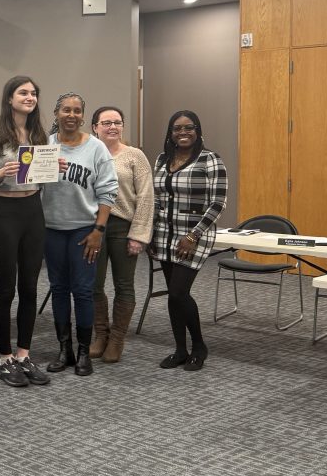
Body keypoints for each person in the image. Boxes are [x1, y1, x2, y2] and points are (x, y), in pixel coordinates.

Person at [0, 75, 50, 387]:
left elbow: (41, 176)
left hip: (33, 211)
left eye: (34, 93)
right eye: (23, 92)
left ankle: (23, 354)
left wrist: (51, 169)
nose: (29, 97)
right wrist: (0, 174)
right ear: (10, 98)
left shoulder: (39, 133)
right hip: (4, 212)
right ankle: (5, 358)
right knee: (6, 288)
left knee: (30, 288)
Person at [42, 92, 118, 377]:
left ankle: (84, 350)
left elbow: (108, 192)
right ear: (56, 113)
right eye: (65, 110)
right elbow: (31, 184)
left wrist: (99, 230)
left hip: (85, 231)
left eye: (76, 111)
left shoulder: (96, 148)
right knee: (58, 289)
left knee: (84, 292)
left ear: (83, 116)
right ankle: (65, 349)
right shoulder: (45, 146)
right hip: (51, 230)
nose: (71, 115)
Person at [150, 110, 228, 372]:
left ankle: (199, 346)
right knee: (173, 296)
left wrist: (193, 236)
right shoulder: (163, 159)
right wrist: (150, 232)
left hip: (193, 235)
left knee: (178, 291)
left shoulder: (210, 160)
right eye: (177, 129)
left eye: (189, 128)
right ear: (170, 133)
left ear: (198, 131)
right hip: (165, 234)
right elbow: (157, 199)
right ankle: (180, 350)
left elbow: (218, 203)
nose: (183, 133)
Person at [89, 106, 154, 363]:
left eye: (117, 122)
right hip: (94, 228)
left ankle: (117, 339)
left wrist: (139, 234)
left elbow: (147, 196)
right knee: (93, 284)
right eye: (106, 122)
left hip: (123, 227)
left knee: (123, 285)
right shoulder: (88, 154)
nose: (112, 127)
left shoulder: (135, 156)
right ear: (95, 127)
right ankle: (100, 335)